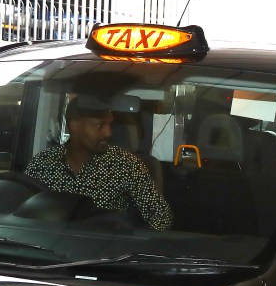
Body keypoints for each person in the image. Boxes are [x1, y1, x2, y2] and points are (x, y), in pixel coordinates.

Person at [25, 95, 173, 230]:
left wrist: (129, 246)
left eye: (110, 125)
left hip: (104, 252)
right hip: (49, 249)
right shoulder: (42, 163)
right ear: (76, 126)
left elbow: (161, 217)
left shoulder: (125, 164)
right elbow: (21, 212)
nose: (108, 133)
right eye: (100, 126)